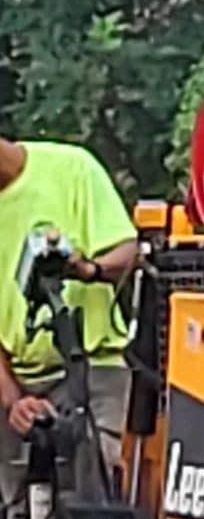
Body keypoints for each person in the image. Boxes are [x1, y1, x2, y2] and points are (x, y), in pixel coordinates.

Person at [0, 133, 142, 441]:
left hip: (93, 369)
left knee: (95, 479)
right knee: (25, 487)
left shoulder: (72, 168)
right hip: (15, 383)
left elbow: (128, 253)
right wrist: (14, 401)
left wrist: (87, 270)